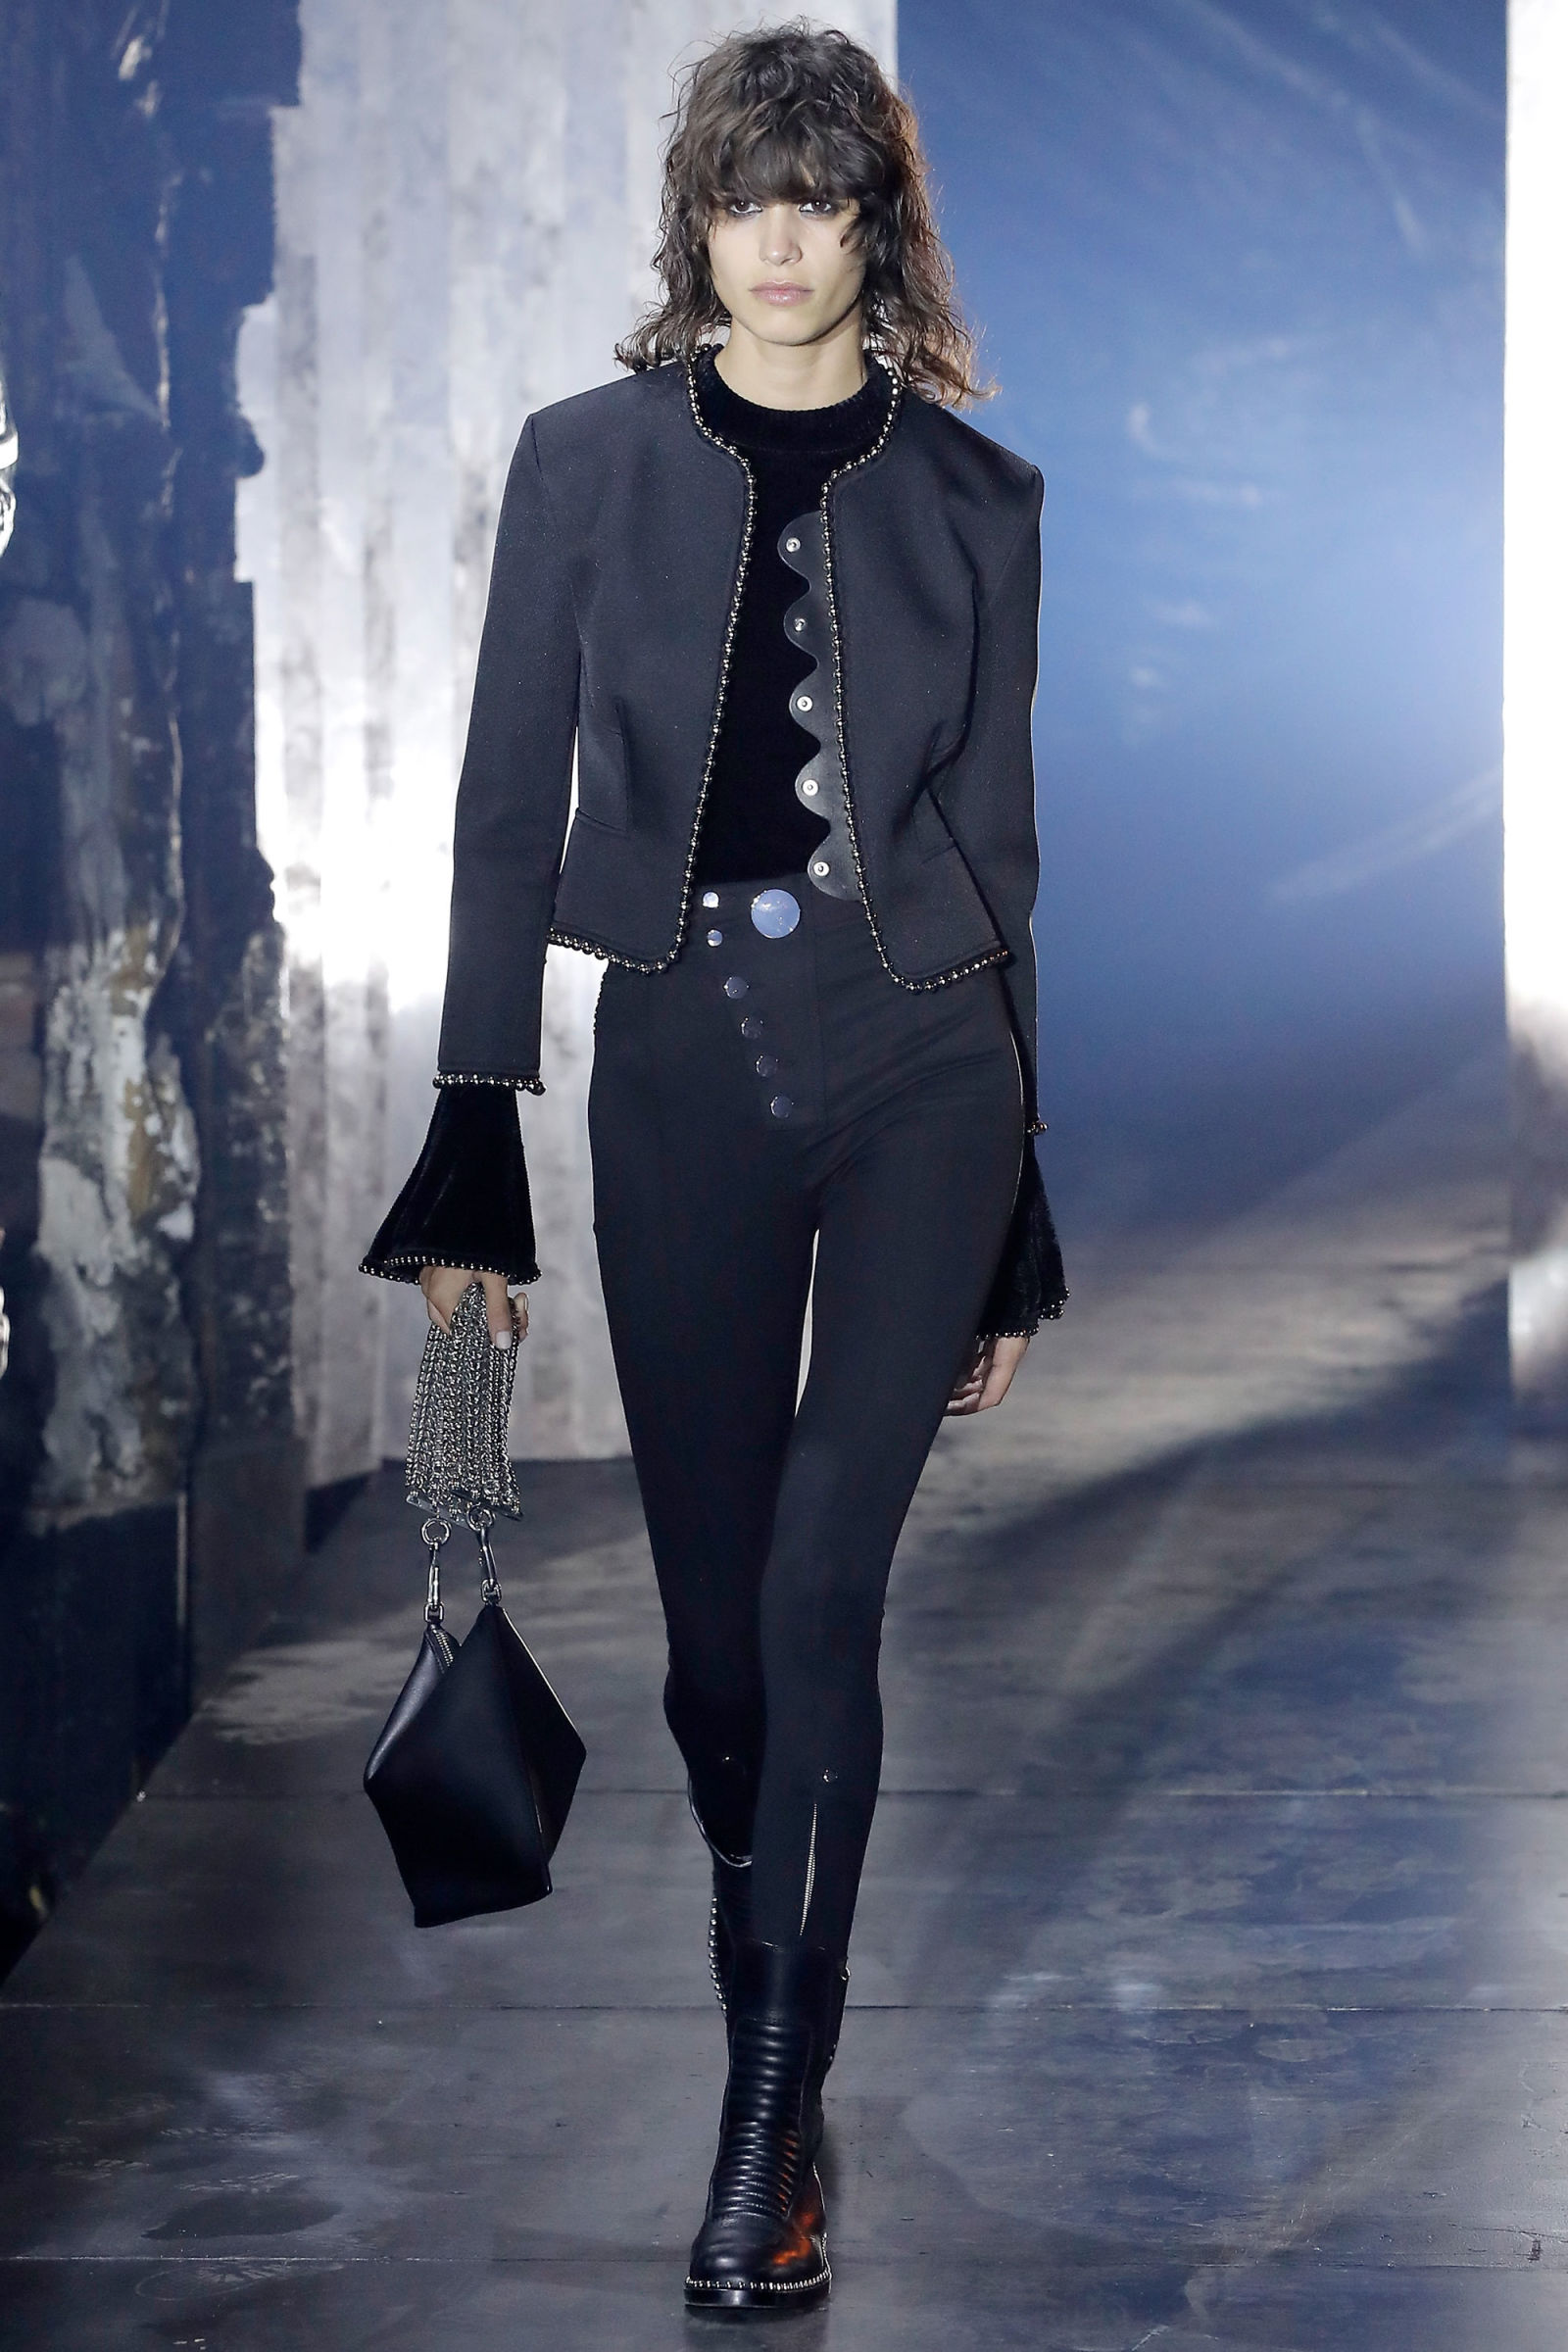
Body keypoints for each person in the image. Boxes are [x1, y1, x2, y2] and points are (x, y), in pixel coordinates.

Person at [364, 22, 1065, 2317]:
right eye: (744, 196)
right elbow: (501, 810)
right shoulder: (581, 467)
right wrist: (471, 1132)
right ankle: (778, 2039)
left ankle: (765, 2122)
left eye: (820, 197)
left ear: (875, 225)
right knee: (711, 1649)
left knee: (816, 1594)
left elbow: (998, 858)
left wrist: (1017, 1202)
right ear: (697, 222)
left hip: (921, 1069)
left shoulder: (979, 501)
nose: (780, 239)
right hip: (675, 1063)